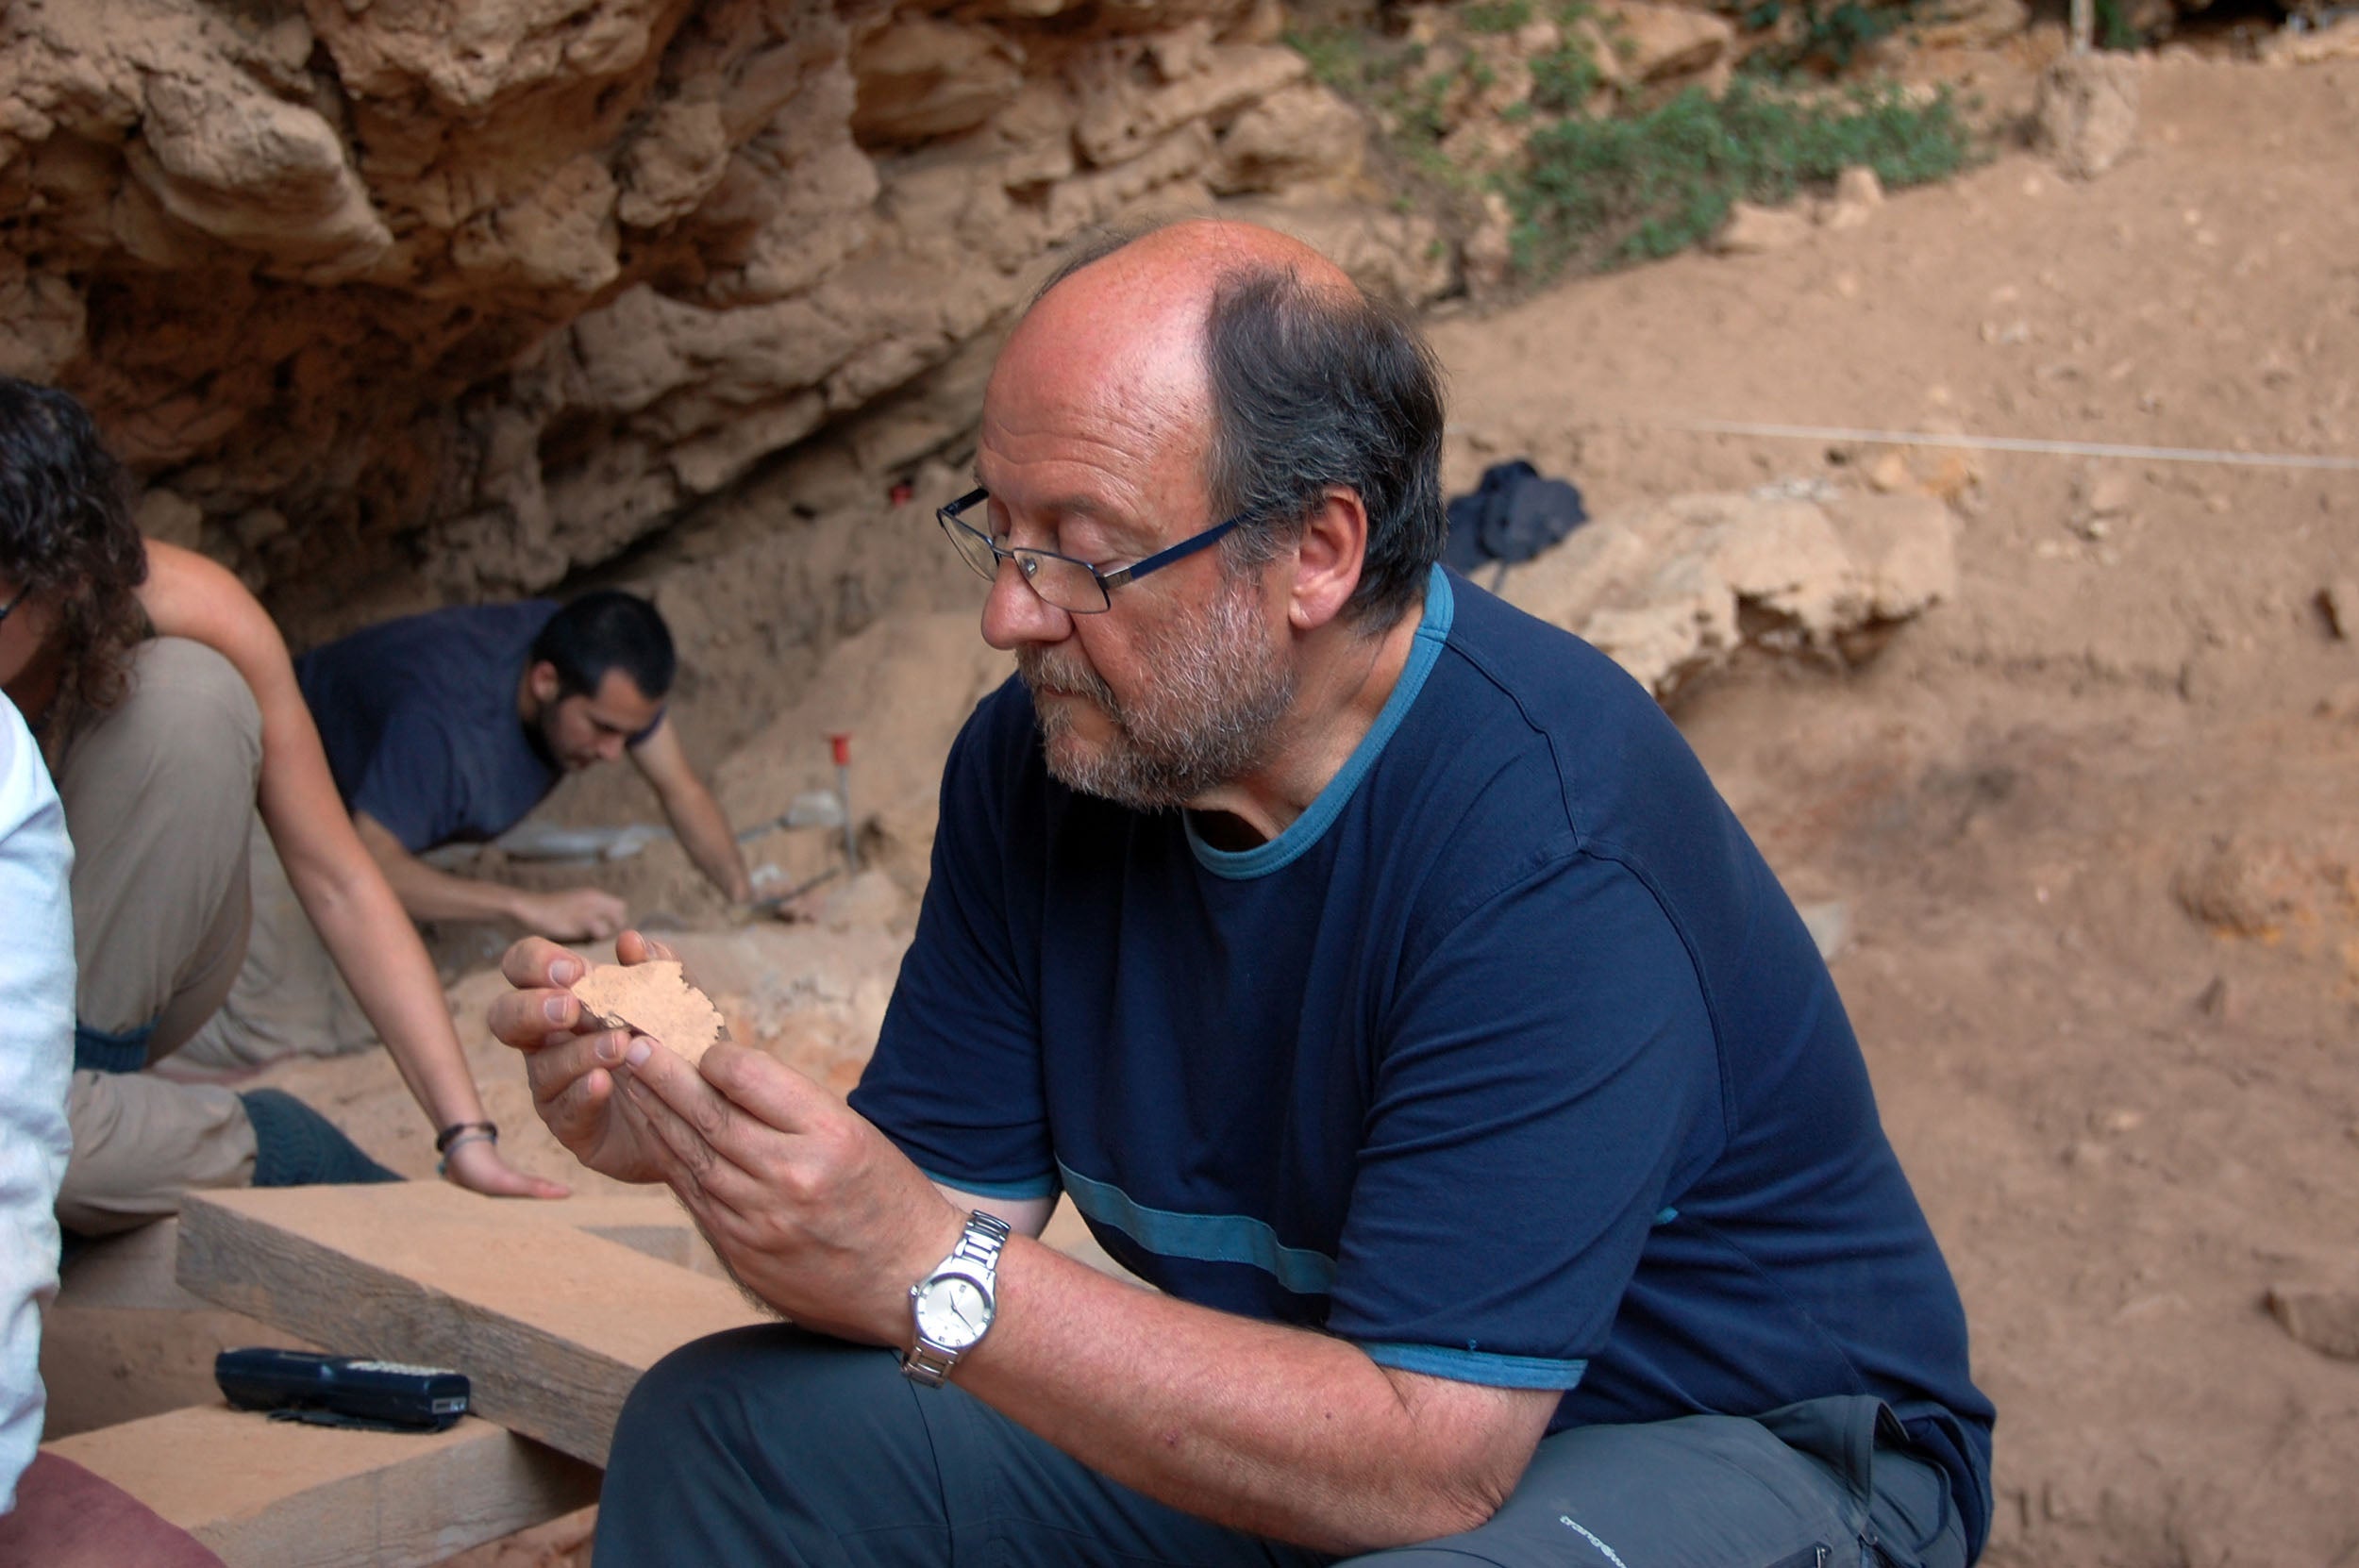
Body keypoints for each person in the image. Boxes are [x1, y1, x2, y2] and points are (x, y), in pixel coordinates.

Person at [491, 220, 1995, 1566]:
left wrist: (932, 1268)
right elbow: (925, 1238)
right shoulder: (1046, 766)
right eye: (997, 529)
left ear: (1318, 552)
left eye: (1081, 553)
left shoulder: (1550, 842)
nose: (1010, 612)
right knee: (731, 1432)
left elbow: (1427, 1458)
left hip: (1734, 1447)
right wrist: (692, 1137)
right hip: (1312, 1403)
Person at [0, 377, 562, 1237]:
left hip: (112, 980)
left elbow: (339, 876)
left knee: (193, 697)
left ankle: (112, 1116)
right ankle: (84, 1138)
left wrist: (466, 1135)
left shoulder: (187, 604)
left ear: (63, 577)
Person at [176, 589, 752, 1070]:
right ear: (546, 681)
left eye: (630, 733)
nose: (613, 752)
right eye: (602, 730)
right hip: (264, 777)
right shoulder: (451, 731)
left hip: (371, 793)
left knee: (366, 1007)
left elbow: (681, 790)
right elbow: (364, 865)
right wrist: (529, 908)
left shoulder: (591, 666)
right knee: (297, 1031)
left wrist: (744, 895)